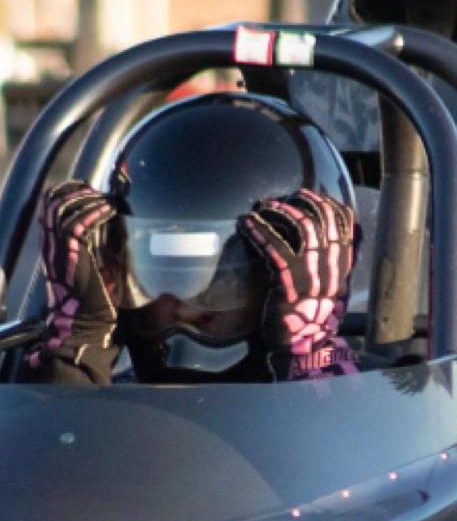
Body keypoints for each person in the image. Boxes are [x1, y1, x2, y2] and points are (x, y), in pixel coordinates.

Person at [26, 93, 362, 387]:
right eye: (163, 277)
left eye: (223, 282)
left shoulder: (359, 401)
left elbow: (342, 453)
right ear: (113, 270)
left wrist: (308, 356)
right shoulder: (96, 396)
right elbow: (50, 451)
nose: (186, 310)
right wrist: (77, 344)